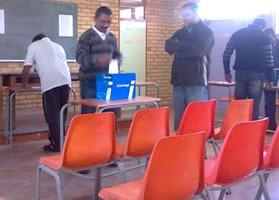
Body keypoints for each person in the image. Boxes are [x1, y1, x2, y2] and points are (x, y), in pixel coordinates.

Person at [165, 2, 214, 131]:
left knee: (196, 118)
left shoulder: (206, 32)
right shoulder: (180, 32)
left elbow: (198, 51)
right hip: (178, 79)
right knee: (180, 120)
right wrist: (187, 45)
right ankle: (180, 147)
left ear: (196, 13)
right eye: (182, 15)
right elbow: (168, 47)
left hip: (196, 79)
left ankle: (197, 148)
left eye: (186, 14)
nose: (183, 17)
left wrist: (179, 46)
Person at [22, 33, 71, 152]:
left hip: (50, 83)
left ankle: (57, 145)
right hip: (66, 81)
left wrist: (24, 84)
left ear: (35, 41)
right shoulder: (58, 46)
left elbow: (27, 67)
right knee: (61, 114)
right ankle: (60, 142)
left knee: (52, 115)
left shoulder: (33, 46)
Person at [223, 18, 274, 120]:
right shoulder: (263, 36)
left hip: (240, 73)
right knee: (254, 105)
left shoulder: (238, 34)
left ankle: (238, 129)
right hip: (257, 73)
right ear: (262, 26)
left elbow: (226, 54)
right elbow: (269, 59)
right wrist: (270, 78)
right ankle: (253, 132)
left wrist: (227, 72)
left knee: (240, 104)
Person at [76, 6, 122, 114]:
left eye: (109, 22)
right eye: (103, 21)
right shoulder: (86, 37)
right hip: (89, 81)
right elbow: (80, 58)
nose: (106, 25)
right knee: (89, 113)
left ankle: (108, 131)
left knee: (110, 112)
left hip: (107, 80)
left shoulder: (111, 37)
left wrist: (116, 61)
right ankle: (88, 131)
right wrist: (98, 59)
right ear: (95, 19)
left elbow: (117, 55)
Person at [264, 28, 279, 130]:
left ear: (273, 35)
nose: (268, 40)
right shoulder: (265, 45)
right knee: (269, 101)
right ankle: (270, 126)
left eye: (269, 38)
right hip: (269, 74)